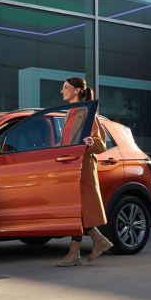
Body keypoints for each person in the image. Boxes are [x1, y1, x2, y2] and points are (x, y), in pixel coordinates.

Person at [56, 77, 113, 266]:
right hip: (71, 165)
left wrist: (91, 142)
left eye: (65, 87)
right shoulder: (70, 113)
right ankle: (97, 241)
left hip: (83, 167)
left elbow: (101, 143)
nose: (61, 91)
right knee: (77, 209)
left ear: (78, 90)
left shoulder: (88, 112)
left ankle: (75, 253)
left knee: (79, 209)